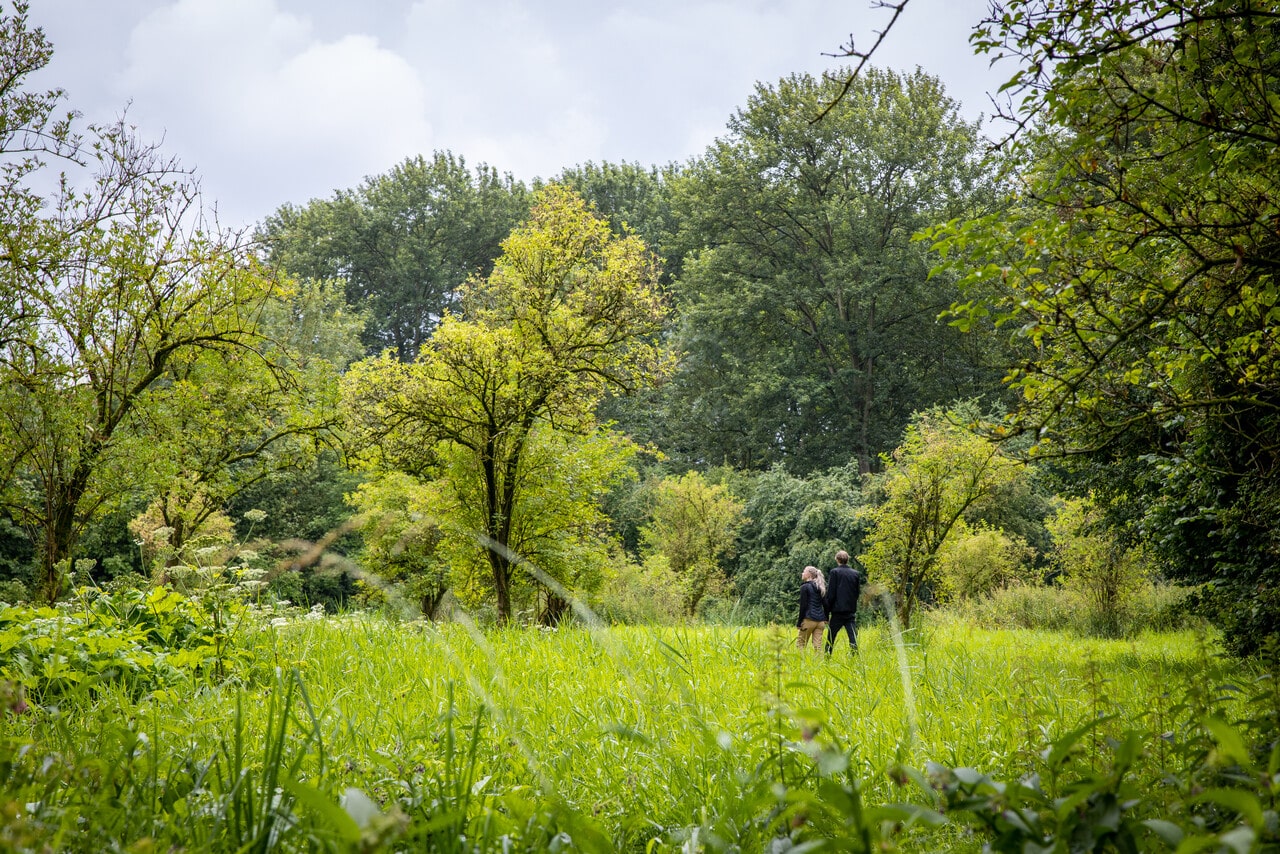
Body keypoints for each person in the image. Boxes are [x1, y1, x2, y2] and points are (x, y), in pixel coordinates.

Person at [824, 550, 864, 654]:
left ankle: (827, 657)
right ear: (847, 559)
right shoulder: (855, 574)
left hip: (837, 610)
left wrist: (827, 612)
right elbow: (856, 592)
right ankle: (854, 657)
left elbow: (831, 593)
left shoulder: (834, 572)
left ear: (837, 559)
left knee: (831, 636)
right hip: (850, 610)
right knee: (852, 636)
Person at [795, 566, 828, 651]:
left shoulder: (805, 587)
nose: (802, 573)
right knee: (818, 646)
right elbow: (826, 604)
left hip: (808, 620)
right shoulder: (821, 587)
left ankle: (801, 663)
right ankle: (819, 663)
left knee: (800, 644)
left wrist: (799, 623)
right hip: (820, 622)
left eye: (804, 571)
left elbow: (803, 606)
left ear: (809, 575)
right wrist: (826, 618)